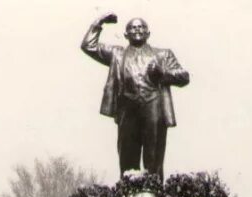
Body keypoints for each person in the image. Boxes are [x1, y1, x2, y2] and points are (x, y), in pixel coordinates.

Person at [81, 13, 190, 178]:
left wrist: (163, 73)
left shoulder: (163, 55)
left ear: (148, 33)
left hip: (153, 106)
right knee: (127, 160)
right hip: (127, 108)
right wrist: (99, 22)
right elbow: (88, 46)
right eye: (132, 27)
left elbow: (184, 77)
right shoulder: (116, 54)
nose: (137, 30)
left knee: (153, 160)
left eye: (141, 27)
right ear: (126, 34)